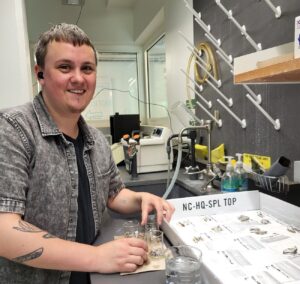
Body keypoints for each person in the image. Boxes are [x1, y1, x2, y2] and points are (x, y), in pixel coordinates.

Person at [0, 23, 174, 284]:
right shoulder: (13, 129)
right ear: (40, 74)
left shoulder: (95, 139)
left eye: (87, 69)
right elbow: (4, 231)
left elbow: (113, 194)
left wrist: (140, 198)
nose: (79, 78)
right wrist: (96, 257)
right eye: (65, 67)